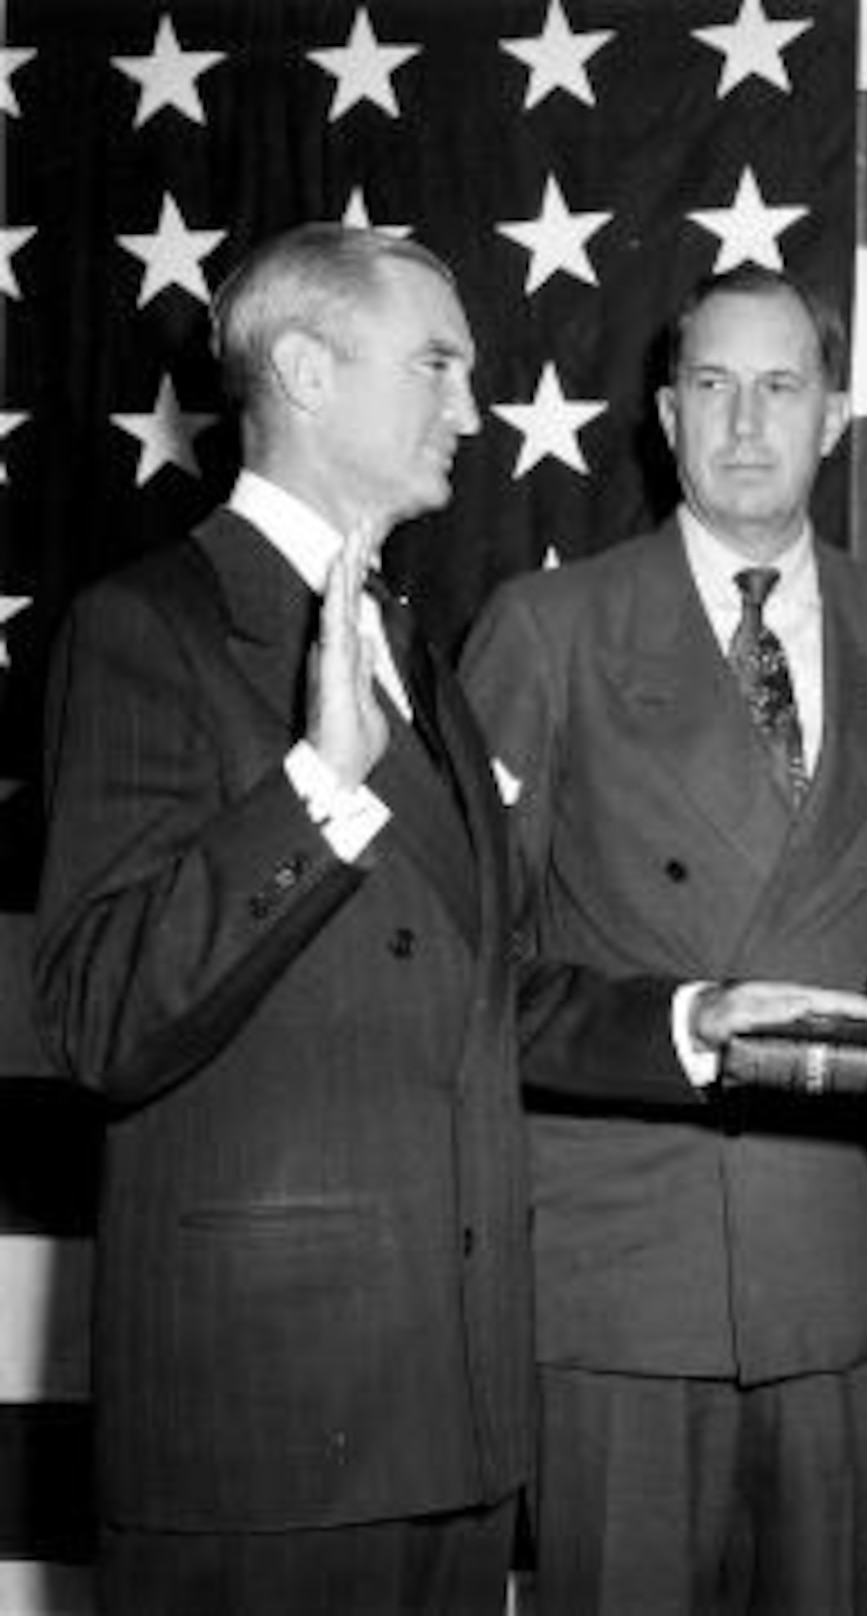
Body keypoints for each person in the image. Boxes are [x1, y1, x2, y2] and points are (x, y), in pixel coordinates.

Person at [459, 263, 867, 1616]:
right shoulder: (546, 630)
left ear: (837, 415)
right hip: (625, 1264)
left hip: (847, 1255)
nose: (747, 423)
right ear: (665, 416)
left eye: (782, 387)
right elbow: (469, 976)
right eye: (712, 386)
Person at [31, 224, 527, 1615]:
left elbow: (476, 991)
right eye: (437, 362)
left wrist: (690, 1022)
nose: (471, 409)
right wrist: (316, 789)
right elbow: (95, 1017)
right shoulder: (147, 627)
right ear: (305, 370)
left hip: (456, 1413)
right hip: (266, 1440)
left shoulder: (411, 641)